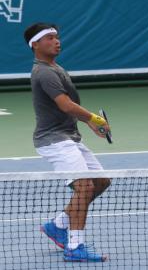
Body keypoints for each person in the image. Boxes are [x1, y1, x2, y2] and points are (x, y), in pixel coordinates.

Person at [24, 23, 111, 261]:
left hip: (69, 137)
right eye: (50, 38)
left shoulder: (56, 68)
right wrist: (94, 117)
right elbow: (65, 105)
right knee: (84, 187)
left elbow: (66, 109)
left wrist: (88, 123)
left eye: (57, 37)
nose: (57, 41)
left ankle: (58, 225)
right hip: (53, 140)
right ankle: (74, 247)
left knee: (101, 182)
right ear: (36, 44)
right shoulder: (44, 72)